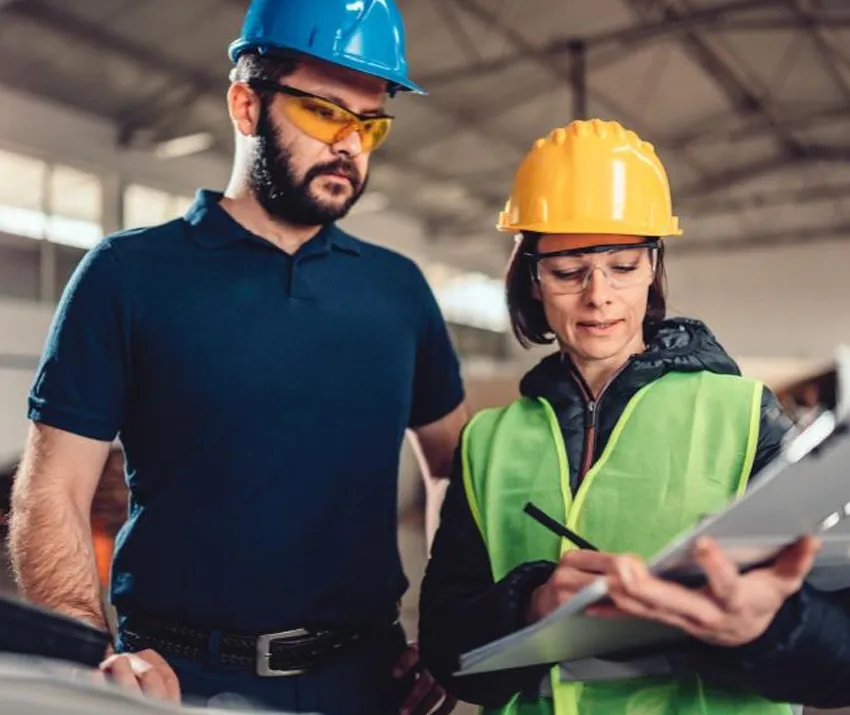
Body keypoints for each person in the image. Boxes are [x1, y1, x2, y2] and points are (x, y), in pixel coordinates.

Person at [9, 1, 467, 713]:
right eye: (323, 113)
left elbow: (451, 467)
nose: (351, 144)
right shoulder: (128, 275)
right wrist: (91, 655)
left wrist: (447, 622)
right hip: (179, 684)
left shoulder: (398, 289)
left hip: (368, 683)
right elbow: (53, 491)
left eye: (370, 123)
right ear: (246, 103)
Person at [418, 118, 850, 715]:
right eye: (570, 272)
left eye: (623, 266)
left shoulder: (744, 416)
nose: (599, 295)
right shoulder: (488, 443)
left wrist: (770, 628)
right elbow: (447, 650)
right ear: (533, 279)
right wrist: (532, 605)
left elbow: (839, 655)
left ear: (653, 268)